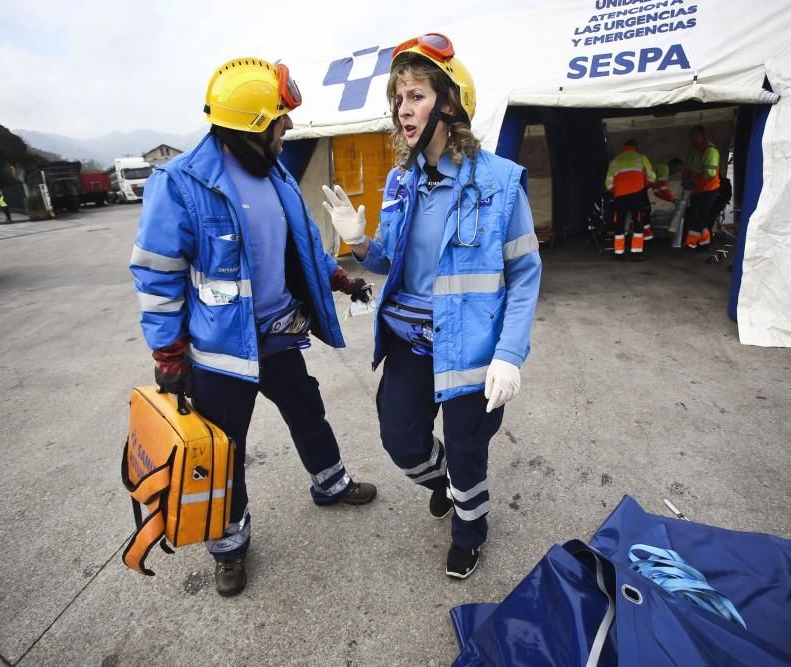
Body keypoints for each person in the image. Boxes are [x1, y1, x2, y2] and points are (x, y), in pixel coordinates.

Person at [130, 57, 378, 598]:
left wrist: (337, 277)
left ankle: (330, 485)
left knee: (308, 410)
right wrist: (169, 355)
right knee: (225, 450)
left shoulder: (276, 170)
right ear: (251, 126)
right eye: (280, 118)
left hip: (279, 333)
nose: (288, 126)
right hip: (221, 351)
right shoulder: (181, 184)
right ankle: (229, 547)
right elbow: (157, 275)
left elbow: (304, 241)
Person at [321, 33, 542, 579]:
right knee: (400, 439)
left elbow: (525, 273)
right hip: (410, 341)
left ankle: (470, 531)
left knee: (470, 453)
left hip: (471, 347)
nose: (403, 109)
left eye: (415, 95)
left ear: (448, 102)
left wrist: (510, 354)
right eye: (399, 98)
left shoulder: (501, 182)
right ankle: (441, 483)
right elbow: (386, 261)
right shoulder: (402, 181)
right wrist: (357, 242)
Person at [604, 139, 655, 259]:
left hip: (619, 197)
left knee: (619, 223)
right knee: (638, 222)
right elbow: (652, 176)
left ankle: (619, 253)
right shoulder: (641, 158)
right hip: (637, 194)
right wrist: (645, 184)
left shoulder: (614, 162)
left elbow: (608, 184)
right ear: (635, 147)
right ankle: (636, 253)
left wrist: (617, 190)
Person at [681, 125, 721, 252]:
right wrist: (685, 180)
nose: (693, 139)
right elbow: (687, 167)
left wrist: (693, 181)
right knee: (697, 217)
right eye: (691, 137)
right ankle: (705, 244)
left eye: (696, 136)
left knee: (698, 218)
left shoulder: (710, 151)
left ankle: (690, 245)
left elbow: (709, 174)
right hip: (697, 189)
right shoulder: (693, 150)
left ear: (703, 136)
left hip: (709, 189)